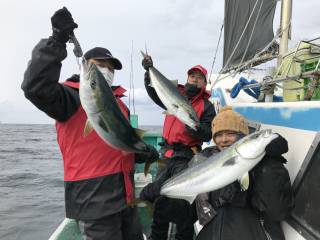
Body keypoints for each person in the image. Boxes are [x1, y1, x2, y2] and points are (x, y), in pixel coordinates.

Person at [21, 7, 159, 240]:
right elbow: (35, 87)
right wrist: (56, 41)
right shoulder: (69, 97)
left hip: (125, 197)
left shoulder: (117, 104)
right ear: (85, 65)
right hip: (94, 199)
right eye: (99, 64)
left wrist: (142, 151)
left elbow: (118, 142)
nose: (107, 70)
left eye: (111, 67)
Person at [139, 56, 216, 240]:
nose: (194, 79)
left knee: (182, 200)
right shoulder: (173, 93)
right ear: (187, 78)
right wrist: (148, 72)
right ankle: (156, 237)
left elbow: (207, 134)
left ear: (204, 83)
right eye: (192, 76)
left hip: (187, 156)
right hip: (166, 153)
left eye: (199, 77)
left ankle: (184, 237)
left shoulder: (207, 106)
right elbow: (154, 93)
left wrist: (193, 126)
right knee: (159, 197)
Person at [192, 106, 294, 240]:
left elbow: (276, 211)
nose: (223, 140)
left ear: (244, 136)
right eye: (218, 135)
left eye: (230, 133)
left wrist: (269, 164)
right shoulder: (206, 160)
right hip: (213, 230)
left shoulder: (262, 162)